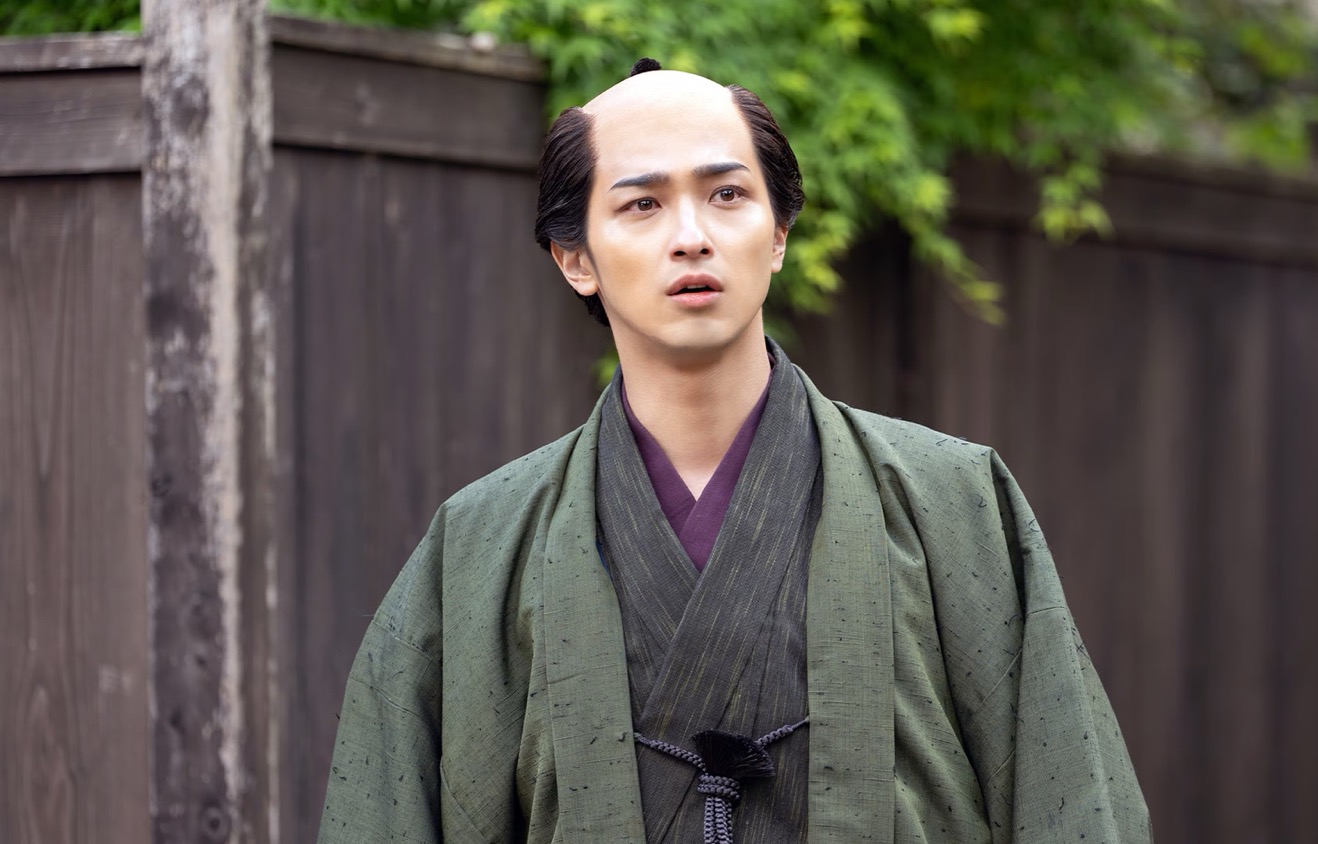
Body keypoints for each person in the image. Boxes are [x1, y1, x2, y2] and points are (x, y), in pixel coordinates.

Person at [318, 59, 1150, 844]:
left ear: (779, 233)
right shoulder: (478, 548)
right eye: (642, 205)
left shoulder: (954, 502)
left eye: (727, 194)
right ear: (576, 259)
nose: (691, 236)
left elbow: (1072, 801)